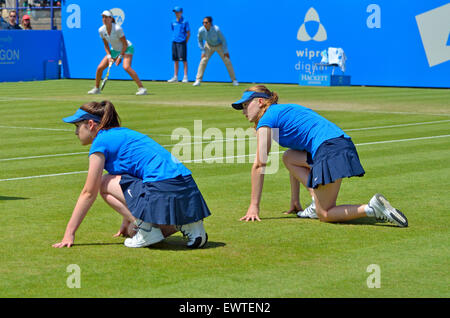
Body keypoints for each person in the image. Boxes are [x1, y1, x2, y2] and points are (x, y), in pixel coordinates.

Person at [231, 85, 408, 227]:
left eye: (246, 105)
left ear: (260, 101)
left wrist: (254, 207)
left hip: (329, 149)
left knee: (326, 214)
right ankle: (315, 203)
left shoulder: (267, 119)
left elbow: (259, 164)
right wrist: (295, 200)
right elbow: (296, 158)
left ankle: (371, 208)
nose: (243, 110)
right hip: (340, 145)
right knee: (289, 157)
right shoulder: (281, 112)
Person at [53, 100, 211, 249]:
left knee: (103, 182)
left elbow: (89, 192)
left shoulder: (100, 142)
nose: (75, 132)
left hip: (164, 190)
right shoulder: (123, 134)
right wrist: (127, 219)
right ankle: (188, 224)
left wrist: (69, 233)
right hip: (188, 191)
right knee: (131, 230)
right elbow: (133, 179)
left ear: (91, 124)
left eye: (77, 126)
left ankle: (149, 231)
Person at [87, 10, 147, 96]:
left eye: (106, 17)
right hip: (114, 50)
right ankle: (97, 88)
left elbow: (125, 44)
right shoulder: (101, 30)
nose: (104, 19)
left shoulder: (118, 29)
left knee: (126, 67)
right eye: (103, 17)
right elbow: (106, 45)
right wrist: (109, 56)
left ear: (111, 19)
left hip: (126, 48)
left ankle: (142, 88)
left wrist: (120, 57)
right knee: (100, 68)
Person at [193, 16, 238, 87]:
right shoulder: (201, 30)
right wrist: (202, 51)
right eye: (203, 23)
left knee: (227, 61)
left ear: (210, 23)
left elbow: (224, 40)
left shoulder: (216, 29)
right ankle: (198, 80)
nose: (204, 24)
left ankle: (234, 80)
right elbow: (199, 40)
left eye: (206, 22)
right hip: (208, 45)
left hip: (219, 45)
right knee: (203, 61)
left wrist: (225, 51)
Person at [167, 6, 190, 83]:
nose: (176, 13)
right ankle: (175, 77)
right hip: (174, 42)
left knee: (184, 60)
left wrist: (184, 41)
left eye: (177, 12)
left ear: (181, 12)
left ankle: (185, 77)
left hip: (182, 42)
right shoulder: (173, 21)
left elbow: (188, 33)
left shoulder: (185, 21)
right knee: (175, 60)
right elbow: (173, 30)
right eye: (175, 12)